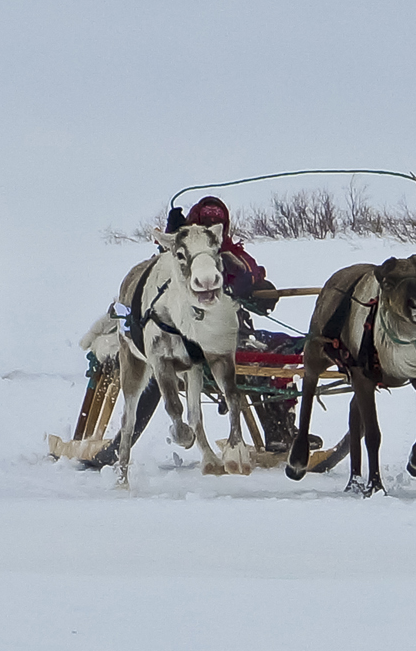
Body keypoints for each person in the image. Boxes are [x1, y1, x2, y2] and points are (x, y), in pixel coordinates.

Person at [86, 196, 302, 467]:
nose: (211, 227)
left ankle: (278, 432)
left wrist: (259, 288)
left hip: (231, 331)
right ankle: (121, 446)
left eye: (217, 224)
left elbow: (254, 278)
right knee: (157, 374)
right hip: (180, 335)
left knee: (271, 359)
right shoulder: (181, 254)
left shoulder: (234, 256)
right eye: (205, 222)